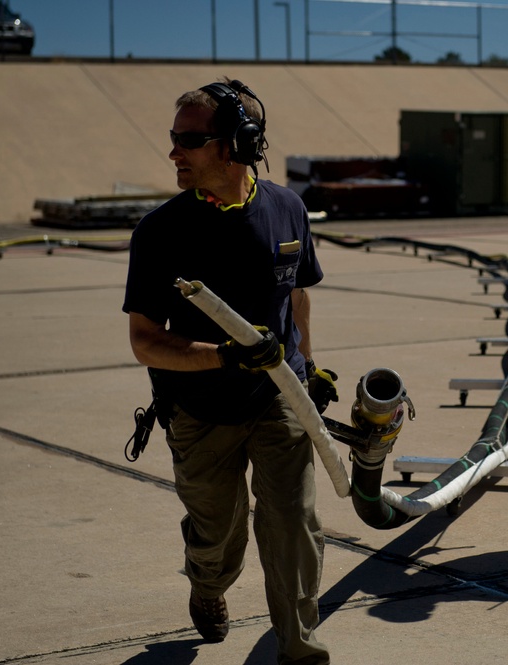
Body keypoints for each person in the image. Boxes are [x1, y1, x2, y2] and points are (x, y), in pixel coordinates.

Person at [123, 76, 338, 664]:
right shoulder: (161, 230)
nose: (173, 152)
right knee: (220, 536)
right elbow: (145, 341)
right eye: (173, 139)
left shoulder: (288, 209)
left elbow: (297, 297)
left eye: (187, 140)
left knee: (293, 525)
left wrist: (308, 369)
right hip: (199, 409)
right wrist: (222, 355)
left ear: (236, 144)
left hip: (277, 399)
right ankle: (207, 583)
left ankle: (300, 649)